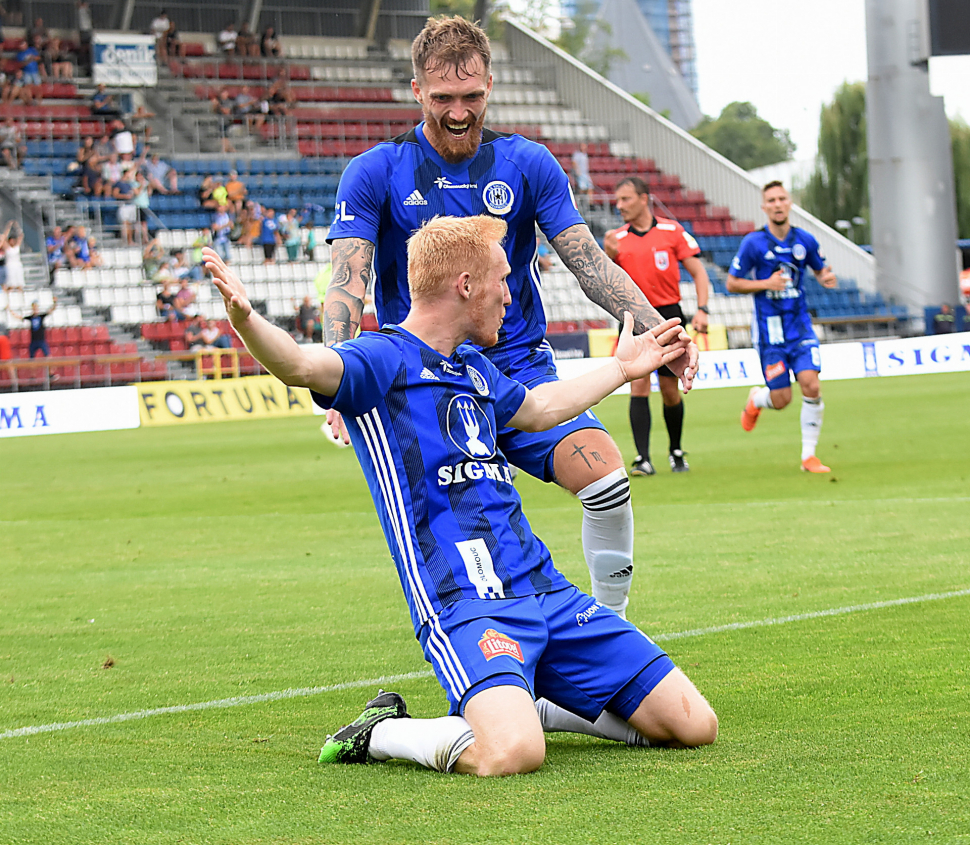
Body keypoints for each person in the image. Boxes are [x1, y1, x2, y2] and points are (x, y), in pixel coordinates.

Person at [202, 215, 716, 777]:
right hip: (464, 602)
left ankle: (532, 700)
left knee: (695, 726)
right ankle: (382, 732)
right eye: (502, 279)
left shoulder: (474, 366)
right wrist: (248, 320)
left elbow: (541, 410)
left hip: (544, 588)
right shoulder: (382, 360)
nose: (510, 295)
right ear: (466, 285)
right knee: (513, 754)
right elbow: (301, 364)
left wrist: (621, 368)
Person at [324, 16, 696, 619]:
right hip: (425, 380)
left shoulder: (527, 163)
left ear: (491, 87)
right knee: (472, 548)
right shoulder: (375, 172)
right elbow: (348, 281)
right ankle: (491, 666)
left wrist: (660, 329)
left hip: (519, 366)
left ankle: (610, 636)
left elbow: (589, 264)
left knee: (607, 482)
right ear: (417, 91)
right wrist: (339, 379)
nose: (458, 112)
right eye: (442, 98)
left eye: (471, 97)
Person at [727, 181, 838, 473]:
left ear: (789, 203)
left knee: (811, 385)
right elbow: (732, 283)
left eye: (782, 199)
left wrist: (826, 277)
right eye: (771, 200)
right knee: (782, 399)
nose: (777, 204)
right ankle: (757, 398)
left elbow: (820, 269)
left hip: (800, 327)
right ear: (764, 207)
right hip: (770, 333)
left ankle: (808, 457)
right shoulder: (753, 243)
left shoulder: (805, 240)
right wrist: (766, 284)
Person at [603, 177, 710, 475]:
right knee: (638, 383)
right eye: (618, 200)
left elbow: (699, 273)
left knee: (669, 388)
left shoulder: (672, 231)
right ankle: (642, 458)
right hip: (632, 318)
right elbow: (607, 281)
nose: (619, 205)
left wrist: (702, 309)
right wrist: (608, 254)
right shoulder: (616, 239)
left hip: (668, 315)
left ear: (644, 198)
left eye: (625, 199)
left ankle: (676, 451)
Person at [1, 220, 25, 291]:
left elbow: (21, 235)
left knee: (19, 283)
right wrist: (8, 226)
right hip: (10, 265)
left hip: (17, 264)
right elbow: (4, 237)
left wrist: (17, 227)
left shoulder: (16, 247)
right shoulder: (7, 247)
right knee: (11, 284)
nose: (12, 241)